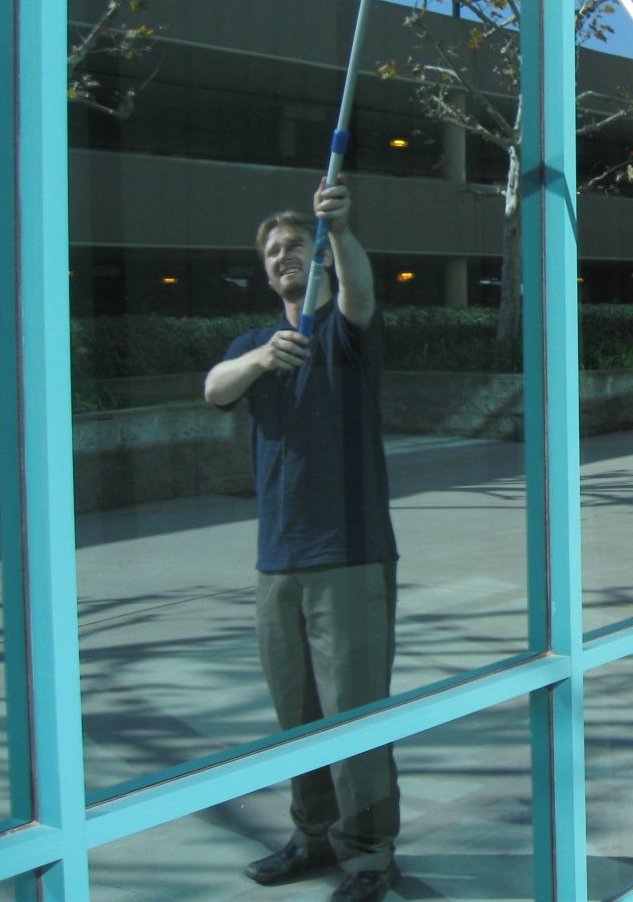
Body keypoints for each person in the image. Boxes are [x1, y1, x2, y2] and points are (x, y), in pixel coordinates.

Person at [204, 176, 400, 902]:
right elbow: (214, 388)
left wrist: (338, 231)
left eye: (296, 245)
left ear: (317, 256)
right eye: (273, 252)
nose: (284, 256)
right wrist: (262, 358)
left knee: (354, 715)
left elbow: (360, 291)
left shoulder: (345, 334)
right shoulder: (255, 346)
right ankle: (312, 834)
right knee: (297, 717)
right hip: (277, 563)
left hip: (348, 556)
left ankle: (370, 854)